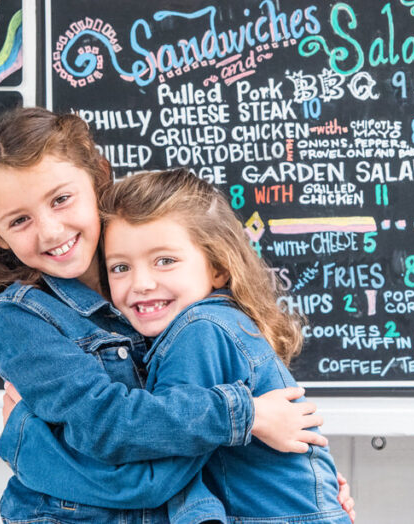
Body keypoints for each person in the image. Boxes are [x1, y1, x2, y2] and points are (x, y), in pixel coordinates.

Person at [0, 107, 351, 524]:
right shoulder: (21, 316)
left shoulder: (163, 283)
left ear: (96, 180)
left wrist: (306, 488)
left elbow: (199, 448)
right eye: (20, 220)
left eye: (61, 199)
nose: (51, 231)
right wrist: (247, 416)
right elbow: (111, 427)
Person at [94, 168, 352, 523]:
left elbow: (163, 460)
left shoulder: (199, 330)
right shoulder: (217, 321)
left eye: (165, 261)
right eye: (120, 267)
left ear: (217, 267)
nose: (141, 283)